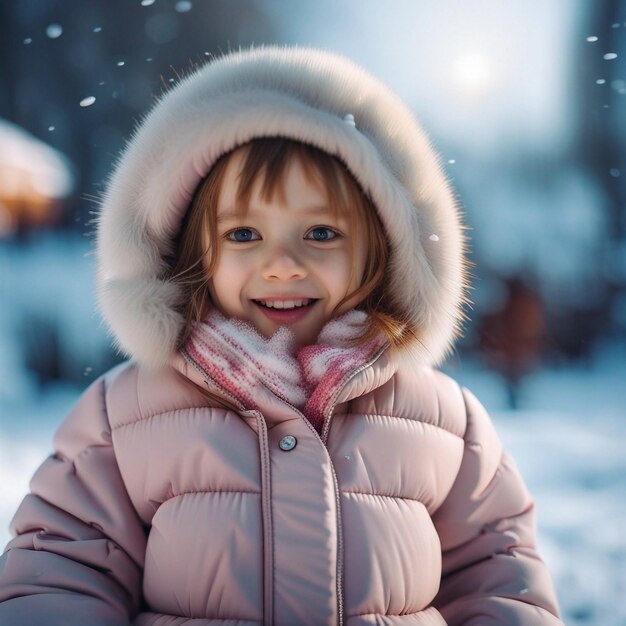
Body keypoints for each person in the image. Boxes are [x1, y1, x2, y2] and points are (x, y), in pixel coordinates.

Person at [0, 46, 563, 625]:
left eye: (320, 232)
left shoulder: (446, 424)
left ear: (384, 249)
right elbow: (62, 572)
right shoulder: (123, 418)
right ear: (194, 253)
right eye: (244, 234)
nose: (283, 263)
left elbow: (501, 578)